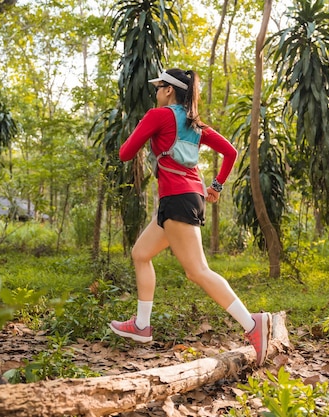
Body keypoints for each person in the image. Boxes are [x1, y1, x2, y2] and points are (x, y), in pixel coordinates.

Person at [109, 68, 271, 365]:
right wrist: (217, 186)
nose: (156, 92)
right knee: (141, 253)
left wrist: (141, 131)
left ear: (169, 90)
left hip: (177, 200)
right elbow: (231, 152)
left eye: (159, 87)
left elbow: (124, 153)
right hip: (186, 198)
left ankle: (252, 324)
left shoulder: (157, 116)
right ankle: (142, 325)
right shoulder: (195, 125)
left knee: (197, 271)